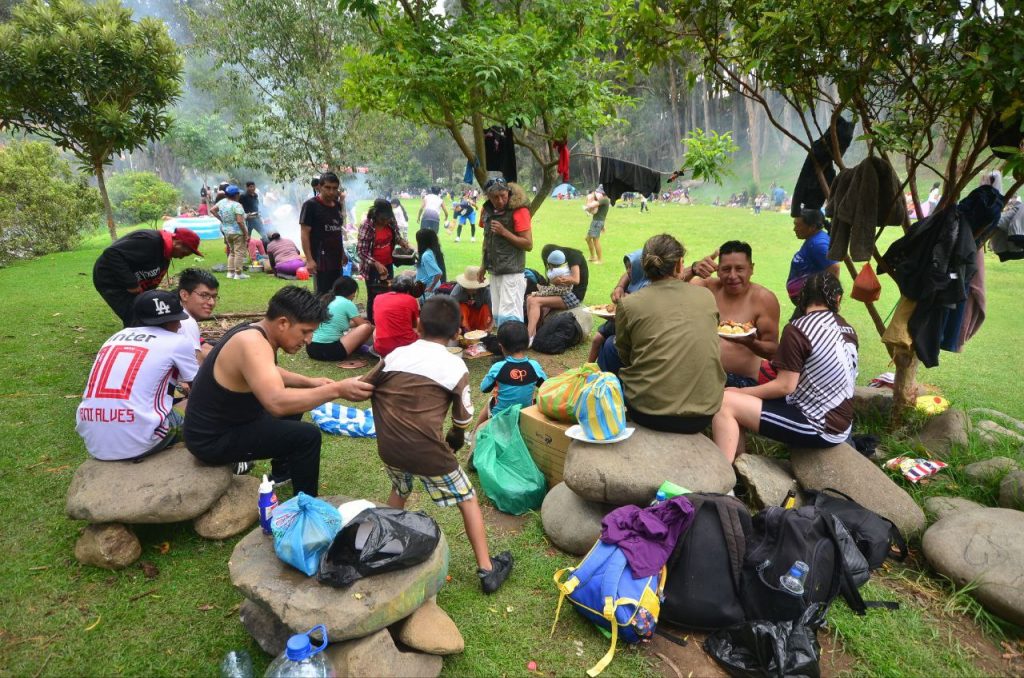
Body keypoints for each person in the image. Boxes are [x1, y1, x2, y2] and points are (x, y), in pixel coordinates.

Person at [364, 295, 514, 594]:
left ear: (417, 324)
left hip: (389, 447)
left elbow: (367, 386)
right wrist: (453, 441)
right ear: (457, 332)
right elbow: (462, 420)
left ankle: (383, 547)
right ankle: (487, 569)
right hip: (428, 452)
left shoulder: (393, 356)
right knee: (468, 499)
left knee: (399, 488)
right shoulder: (454, 366)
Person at [183, 286, 374, 495]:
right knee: (307, 437)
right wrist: (338, 389)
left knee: (296, 403)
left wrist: (311, 382)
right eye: (305, 331)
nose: (309, 340)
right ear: (283, 323)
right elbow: (276, 403)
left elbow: (269, 370)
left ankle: (282, 474)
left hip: (230, 421)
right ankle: (306, 508)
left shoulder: (255, 332)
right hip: (211, 439)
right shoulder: (252, 343)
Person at [712, 273, 857, 462]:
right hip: (841, 421)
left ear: (802, 298)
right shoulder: (847, 328)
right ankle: (738, 464)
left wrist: (743, 391)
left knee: (724, 402)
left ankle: (722, 481)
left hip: (819, 426)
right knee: (736, 400)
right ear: (838, 299)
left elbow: (785, 386)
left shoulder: (799, 329)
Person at [612, 234, 725, 433]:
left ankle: (611, 413)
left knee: (610, 350)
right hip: (704, 414)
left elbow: (624, 354)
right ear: (680, 265)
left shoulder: (629, 304)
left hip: (647, 412)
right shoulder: (706, 296)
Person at [76, 291, 198, 461]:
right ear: (169, 321)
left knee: (173, 393)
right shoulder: (177, 342)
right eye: (177, 319)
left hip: (94, 441)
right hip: (141, 440)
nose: (179, 325)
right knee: (206, 410)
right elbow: (200, 390)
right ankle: (228, 458)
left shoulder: (114, 338)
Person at [692, 241, 781, 387]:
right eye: (726, 269)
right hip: (702, 375)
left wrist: (751, 343)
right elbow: (670, 289)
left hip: (741, 381)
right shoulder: (708, 288)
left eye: (739, 269)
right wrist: (694, 269)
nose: (732, 276)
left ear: (751, 269)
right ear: (718, 270)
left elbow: (773, 351)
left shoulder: (764, 299)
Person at [93, 227, 203, 327]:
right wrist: (131, 283)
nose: (183, 257)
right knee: (134, 315)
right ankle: (134, 343)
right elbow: (112, 253)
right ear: (178, 243)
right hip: (110, 278)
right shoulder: (149, 240)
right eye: (186, 252)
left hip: (133, 280)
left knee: (145, 309)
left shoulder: (165, 252)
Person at [478, 178, 533, 326]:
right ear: (488, 197)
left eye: (503, 195)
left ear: (508, 192)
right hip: (494, 271)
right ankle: (503, 346)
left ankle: (513, 349)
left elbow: (528, 244)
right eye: (495, 197)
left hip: (512, 272)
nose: (500, 200)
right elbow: (487, 241)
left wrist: (504, 232)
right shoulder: (487, 211)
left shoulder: (519, 211)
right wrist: (483, 266)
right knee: (498, 314)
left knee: (510, 316)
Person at [477, 320, 546, 428]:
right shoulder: (534, 366)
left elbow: (483, 388)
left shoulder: (498, 368)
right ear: (527, 343)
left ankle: (474, 432)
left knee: (491, 400)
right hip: (526, 415)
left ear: (501, 346)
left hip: (500, 418)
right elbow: (546, 386)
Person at [357, 198, 411, 322]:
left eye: (388, 218)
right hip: (371, 268)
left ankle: (385, 320)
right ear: (376, 214)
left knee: (388, 292)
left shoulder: (390, 221)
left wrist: (401, 242)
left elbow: (396, 235)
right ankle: (373, 323)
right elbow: (361, 252)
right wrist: (376, 263)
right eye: (383, 219)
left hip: (388, 263)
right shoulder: (367, 226)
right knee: (374, 296)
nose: (386, 221)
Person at [525, 244, 588, 341]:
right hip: (562, 293)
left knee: (535, 301)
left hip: (573, 295)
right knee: (529, 298)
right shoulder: (562, 261)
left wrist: (560, 280)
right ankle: (533, 332)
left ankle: (529, 337)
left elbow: (576, 279)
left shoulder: (573, 256)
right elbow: (552, 282)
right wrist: (554, 281)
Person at [299, 172, 347, 295]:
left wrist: (342, 253)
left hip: (336, 258)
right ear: (319, 187)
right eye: (327, 187)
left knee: (337, 293)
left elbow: (337, 231)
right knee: (323, 295)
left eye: (334, 188)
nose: (331, 192)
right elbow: (305, 233)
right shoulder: (310, 205)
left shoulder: (336, 205)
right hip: (320, 259)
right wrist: (309, 259)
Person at [307, 276, 374, 362]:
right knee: (367, 327)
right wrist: (371, 325)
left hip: (311, 349)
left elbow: (336, 322)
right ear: (352, 292)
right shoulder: (347, 302)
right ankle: (363, 348)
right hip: (330, 351)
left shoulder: (326, 299)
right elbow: (363, 325)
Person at [787, 209, 840, 303]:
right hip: (807, 300)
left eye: (798, 225)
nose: (794, 229)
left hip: (813, 302)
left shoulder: (819, 244)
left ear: (812, 227)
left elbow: (834, 268)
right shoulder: (813, 239)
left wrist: (829, 300)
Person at [177, 268, 219, 365]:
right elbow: (196, 370)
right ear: (184, 295)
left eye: (214, 296)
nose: (212, 302)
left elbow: (203, 346)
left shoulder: (177, 312)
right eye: (204, 295)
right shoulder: (185, 321)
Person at [372, 274, 420, 358]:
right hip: (406, 347)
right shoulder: (411, 299)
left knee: (377, 328)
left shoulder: (378, 298)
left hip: (381, 348)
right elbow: (415, 326)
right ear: (409, 290)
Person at [211, 185, 249, 280]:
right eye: (238, 193)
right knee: (239, 252)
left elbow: (212, 210)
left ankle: (230, 272)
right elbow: (240, 221)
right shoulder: (237, 205)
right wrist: (246, 233)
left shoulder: (222, 202)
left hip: (227, 231)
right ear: (236, 195)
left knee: (232, 252)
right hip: (238, 232)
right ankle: (238, 273)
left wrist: (222, 219)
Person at [453, 266, 493, 332]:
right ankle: (466, 330)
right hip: (466, 319)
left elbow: (494, 311)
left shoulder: (486, 291)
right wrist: (455, 327)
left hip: (480, 317)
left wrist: (490, 327)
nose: (473, 289)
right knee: (461, 307)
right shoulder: (458, 290)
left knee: (485, 308)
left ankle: (482, 331)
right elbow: (450, 310)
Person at [415, 228, 446, 300]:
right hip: (426, 287)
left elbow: (438, 273)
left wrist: (430, 287)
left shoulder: (426, 255)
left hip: (427, 291)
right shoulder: (432, 250)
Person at [584, 187, 611, 263]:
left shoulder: (604, 199)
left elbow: (591, 206)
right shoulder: (603, 199)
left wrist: (589, 199)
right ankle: (592, 257)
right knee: (588, 239)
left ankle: (600, 260)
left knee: (596, 240)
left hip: (597, 222)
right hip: (597, 221)